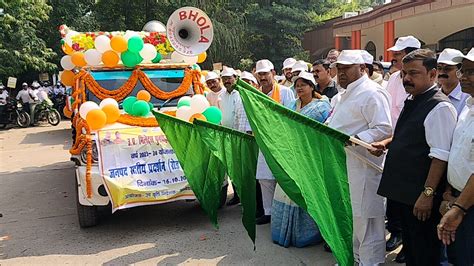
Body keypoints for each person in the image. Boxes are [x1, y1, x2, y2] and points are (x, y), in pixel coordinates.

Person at [374, 49, 457, 265]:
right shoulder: (415, 99)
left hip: (420, 197)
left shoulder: (439, 107)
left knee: (424, 253)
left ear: (432, 74)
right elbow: (408, 134)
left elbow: (440, 156)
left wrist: (427, 194)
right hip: (404, 193)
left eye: (414, 73)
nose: (407, 79)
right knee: (412, 250)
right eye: (404, 73)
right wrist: (386, 143)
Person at [326, 50, 392, 265]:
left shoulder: (372, 92)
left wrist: (355, 138)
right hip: (345, 164)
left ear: (363, 68)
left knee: (368, 223)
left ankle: (370, 262)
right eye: (339, 68)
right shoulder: (343, 93)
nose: (341, 73)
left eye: (346, 68)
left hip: (364, 166)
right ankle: (354, 260)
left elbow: (383, 128)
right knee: (353, 218)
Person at [272, 71, 330, 248]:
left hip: (310, 158)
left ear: (312, 87)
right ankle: (284, 232)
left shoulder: (321, 107)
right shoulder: (290, 105)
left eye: (303, 85)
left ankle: (307, 235)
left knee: (307, 193)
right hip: (291, 156)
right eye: (297, 86)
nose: (299, 89)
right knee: (287, 191)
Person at [437, 47, 474, 266]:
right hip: (458, 199)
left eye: (471, 71)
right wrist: (448, 195)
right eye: (463, 71)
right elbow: (458, 155)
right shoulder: (467, 108)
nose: (463, 77)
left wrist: (459, 208)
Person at [254, 59, 295, 225]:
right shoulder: (255, 93)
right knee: (264, 178)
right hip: (264, 141)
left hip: (282, 142)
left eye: (265, 73)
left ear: (273, 73)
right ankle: (268, 212)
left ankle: (284, 212)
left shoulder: (285, 92)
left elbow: (290, 116)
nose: (263, 77)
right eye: (260, 74)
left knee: (283, 177)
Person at [219, 67, 250, 206]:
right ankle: (236, 195)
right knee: (232, 167)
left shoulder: (240, 94)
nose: (226, 81)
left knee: (241, 168)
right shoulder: (222, 96)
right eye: (224, 79)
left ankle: (244, 196)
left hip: (239, 135)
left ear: (235, 78)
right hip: (226, 136)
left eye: (229, 78)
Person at [437, 48, 469, 116]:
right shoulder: (433, 96)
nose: (441, 72)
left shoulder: (468, 98)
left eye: (447, 69)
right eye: (439, 68)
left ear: (460, 71)